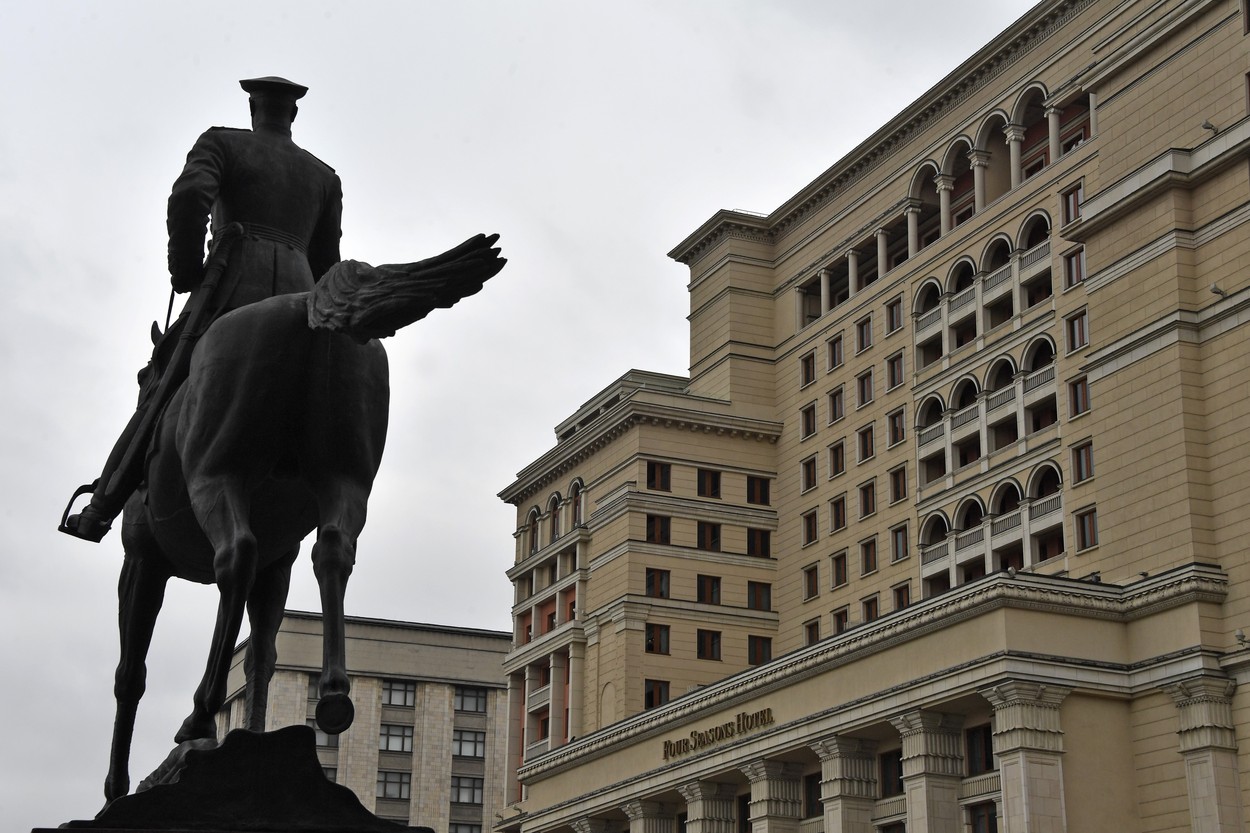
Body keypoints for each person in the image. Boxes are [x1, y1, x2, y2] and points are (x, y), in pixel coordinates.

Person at [60, 76, 343, 542]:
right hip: (301, 295)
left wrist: (186, 270)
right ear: (292, 116)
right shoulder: (323, 176)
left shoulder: (222, 143)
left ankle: (102, 505)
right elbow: (327, 259)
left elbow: (190, 196)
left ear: (254, 109)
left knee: (162, 384)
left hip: (232, 285)